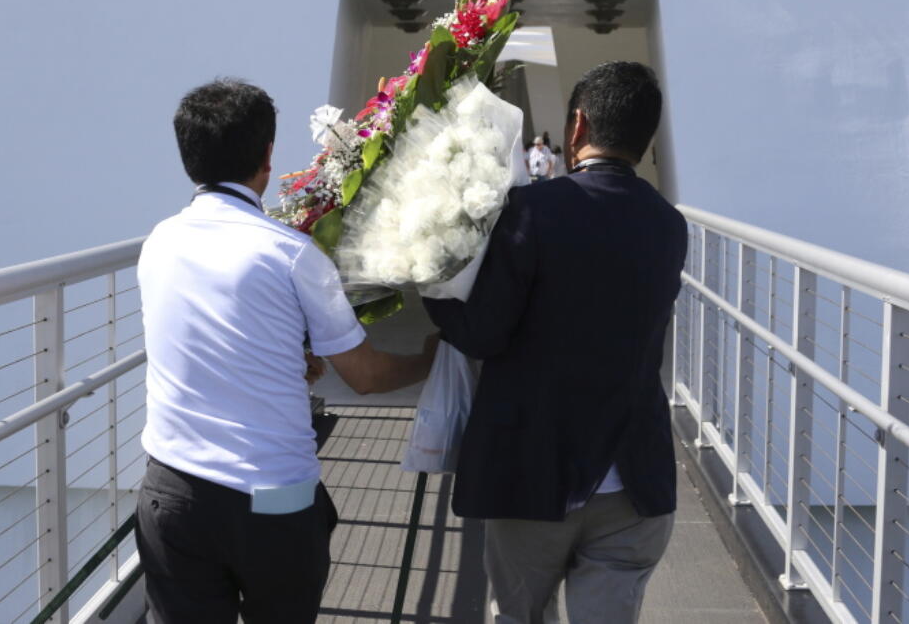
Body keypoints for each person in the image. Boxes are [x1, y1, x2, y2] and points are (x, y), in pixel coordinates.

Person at [135, 78, 435, 624]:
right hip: (272, 497)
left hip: (173, 492)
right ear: (268, 154)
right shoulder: (292, 256)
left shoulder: (157, 243)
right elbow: (365, 376)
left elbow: (210, 334)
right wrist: (431, 358)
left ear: (188, 159)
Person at [422, 62, 687, 624]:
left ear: (576, 127)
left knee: (520, 614)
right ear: (647, 138)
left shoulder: (534, 211)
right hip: (634, 480)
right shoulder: (670, 224)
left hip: (534, 470)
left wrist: (433, 287)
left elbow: (485, 333)